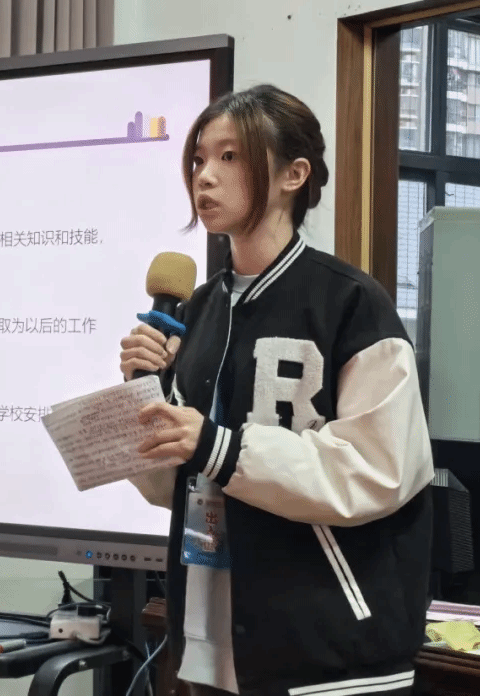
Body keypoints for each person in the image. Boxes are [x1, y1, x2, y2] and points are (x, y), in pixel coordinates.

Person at [119, 85, 434, 696]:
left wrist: (219, 447)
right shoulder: (198, 308)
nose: (205, 176)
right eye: (198, 159)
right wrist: (142, 396)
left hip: (328, 659)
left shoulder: (351, 303)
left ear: (294, 174)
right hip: (206, 647)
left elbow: (380, 469)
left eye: (230, 157)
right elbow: (170, 487)